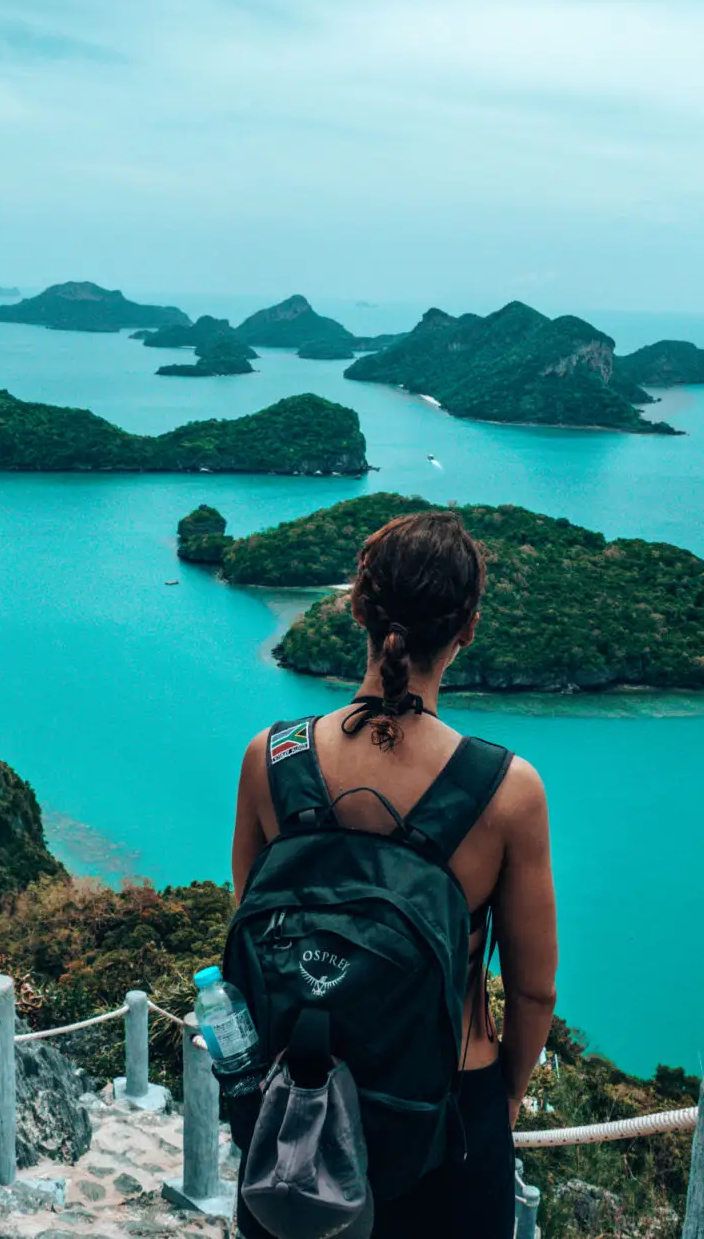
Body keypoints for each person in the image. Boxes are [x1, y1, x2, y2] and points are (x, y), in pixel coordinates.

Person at [231, 509, 560, 1239]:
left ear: (357, 607)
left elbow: (253, 943)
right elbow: (535, 989)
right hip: (448, 1115)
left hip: (297, 1113)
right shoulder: (507, 790)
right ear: (468, 627)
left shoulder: (271, 758)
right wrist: (500, 1103)